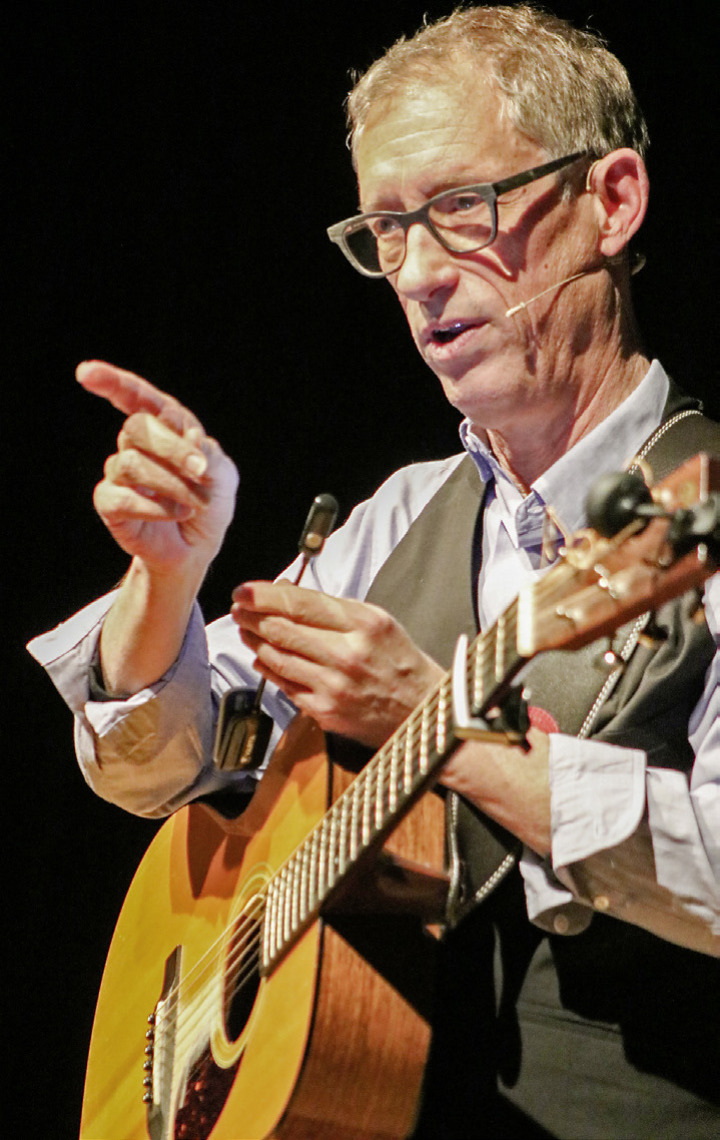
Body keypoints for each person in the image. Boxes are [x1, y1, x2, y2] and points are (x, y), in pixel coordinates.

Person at [29, 5, 719, 1137]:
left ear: (613, 201)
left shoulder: (694, 508)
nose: (418, 275)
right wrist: (166, 575)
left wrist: (439, 722)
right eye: (386, 231)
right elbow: (158, 772)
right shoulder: (392, 521)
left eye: (459, 209)